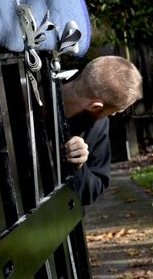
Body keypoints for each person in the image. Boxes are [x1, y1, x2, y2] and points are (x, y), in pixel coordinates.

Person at [61, 56, 144, 205]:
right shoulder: (29, 91)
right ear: (95, 107)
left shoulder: (98, 126)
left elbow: (94, 189)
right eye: (115, 111)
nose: (113, 115)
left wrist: (79, 166)